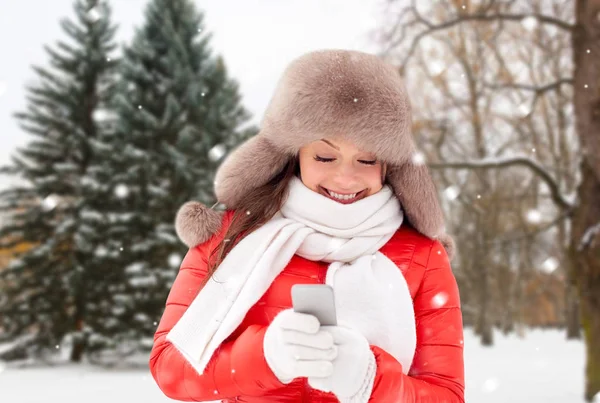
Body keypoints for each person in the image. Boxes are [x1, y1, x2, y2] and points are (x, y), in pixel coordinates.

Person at [149, 49, 465, 402]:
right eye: (325, 156)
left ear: (389, 165)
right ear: (293, 155)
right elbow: (170, 369)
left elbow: (447, 394)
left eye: (366, 159)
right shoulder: (230, 236)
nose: (345, 177)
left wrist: (370, 381)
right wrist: (264, 357)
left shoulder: (423, 256)